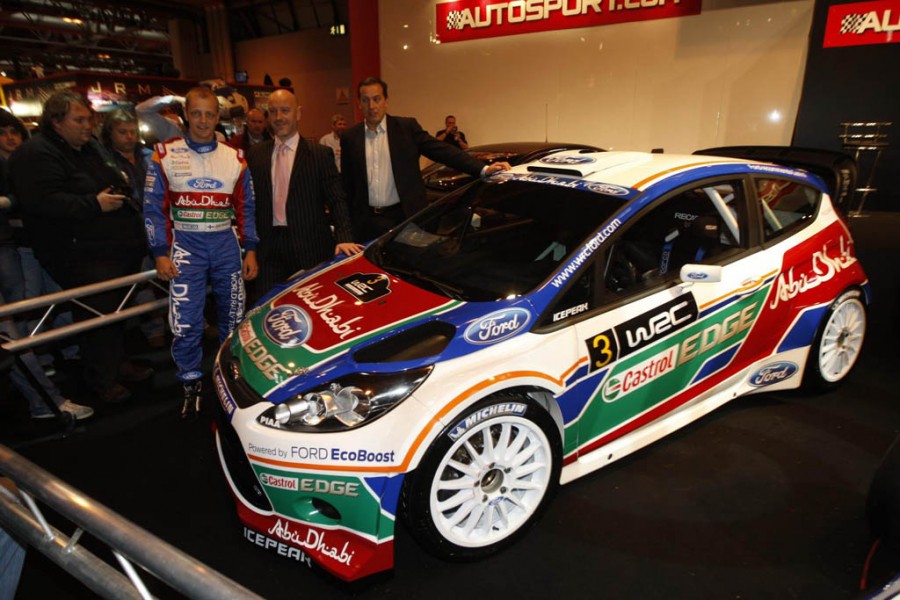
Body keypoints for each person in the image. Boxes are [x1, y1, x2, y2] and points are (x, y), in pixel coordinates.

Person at [10, 92, 149, 404]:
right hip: (80, 253)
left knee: (114, 315)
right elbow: (43, 202)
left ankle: (117, 364)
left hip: (112, 249)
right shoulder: (36, 154)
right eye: (80, 120)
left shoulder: (88, 148)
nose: (87, 125)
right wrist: (94, 204)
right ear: (56, 122)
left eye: (90, 119)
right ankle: (102, 379)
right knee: (96, 317)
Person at [144, 86, 259, 420]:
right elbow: (153, 208)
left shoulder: (235, 157)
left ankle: (228, 375)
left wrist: (251, 249)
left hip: (226, 244)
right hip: (185, 246)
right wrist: (160, 252)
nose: (203, 121)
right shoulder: (165, 154)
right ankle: (190, 381)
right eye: (196, 113)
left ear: (218, 116)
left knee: (233, 317)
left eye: (210, 114)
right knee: (186, 321)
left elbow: (246, 207)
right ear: (186, 115)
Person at [1, 110, 93, 420]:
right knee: (13, 328)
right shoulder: (31, 157)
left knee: (29, 317)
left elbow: (30, 199)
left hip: (23, 246)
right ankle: (46, 401)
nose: (9, 137)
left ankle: (50, 383)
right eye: (3, 133)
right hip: (17, 249)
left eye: (13, 131)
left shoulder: (20, 161)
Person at [341, 77, 510, 240]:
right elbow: (347, 186)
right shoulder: (350, 137)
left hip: (406, 219)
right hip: (367, 223)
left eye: (377, 99)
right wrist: (346, 231)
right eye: (366, 100)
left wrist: (483, 169)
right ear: (359, 104)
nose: (372, 106)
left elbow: (443, 151)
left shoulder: (406, 128)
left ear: (386, 101)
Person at [247, 90, 361, 299]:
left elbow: (336, 199)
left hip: (310, 249)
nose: (279, 117)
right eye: (273, 111)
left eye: (285, 110)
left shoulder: (319, 154)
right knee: (267, 306)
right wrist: (250, 249)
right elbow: (250, 204)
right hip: (269, 250)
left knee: (313, 306)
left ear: (298, 113)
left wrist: (344, 238)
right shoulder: (256, 154)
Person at [101, 109, 166, 348]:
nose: (129, 137)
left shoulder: (151, 155)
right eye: (123, 132)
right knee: (142, 282)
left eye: (132, 132)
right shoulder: (104, 161)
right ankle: (154, 329)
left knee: (178, 275)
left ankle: (191, 322)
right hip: (129, 230)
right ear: (110, 133)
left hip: (159, 225)